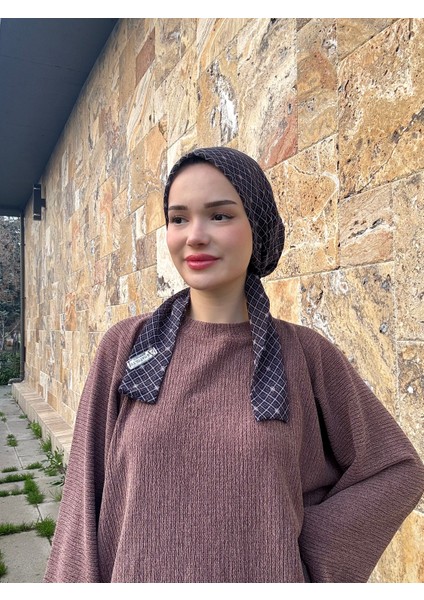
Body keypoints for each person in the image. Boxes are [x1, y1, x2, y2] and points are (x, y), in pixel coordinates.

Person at [44, 147, 424, 583]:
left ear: (256, 227)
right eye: (178, 218)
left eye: (220, 216)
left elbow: (395, 470)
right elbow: (82, 496)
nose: (195, 236)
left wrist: (302, 558)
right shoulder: (127, 348)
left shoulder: (305, 355)